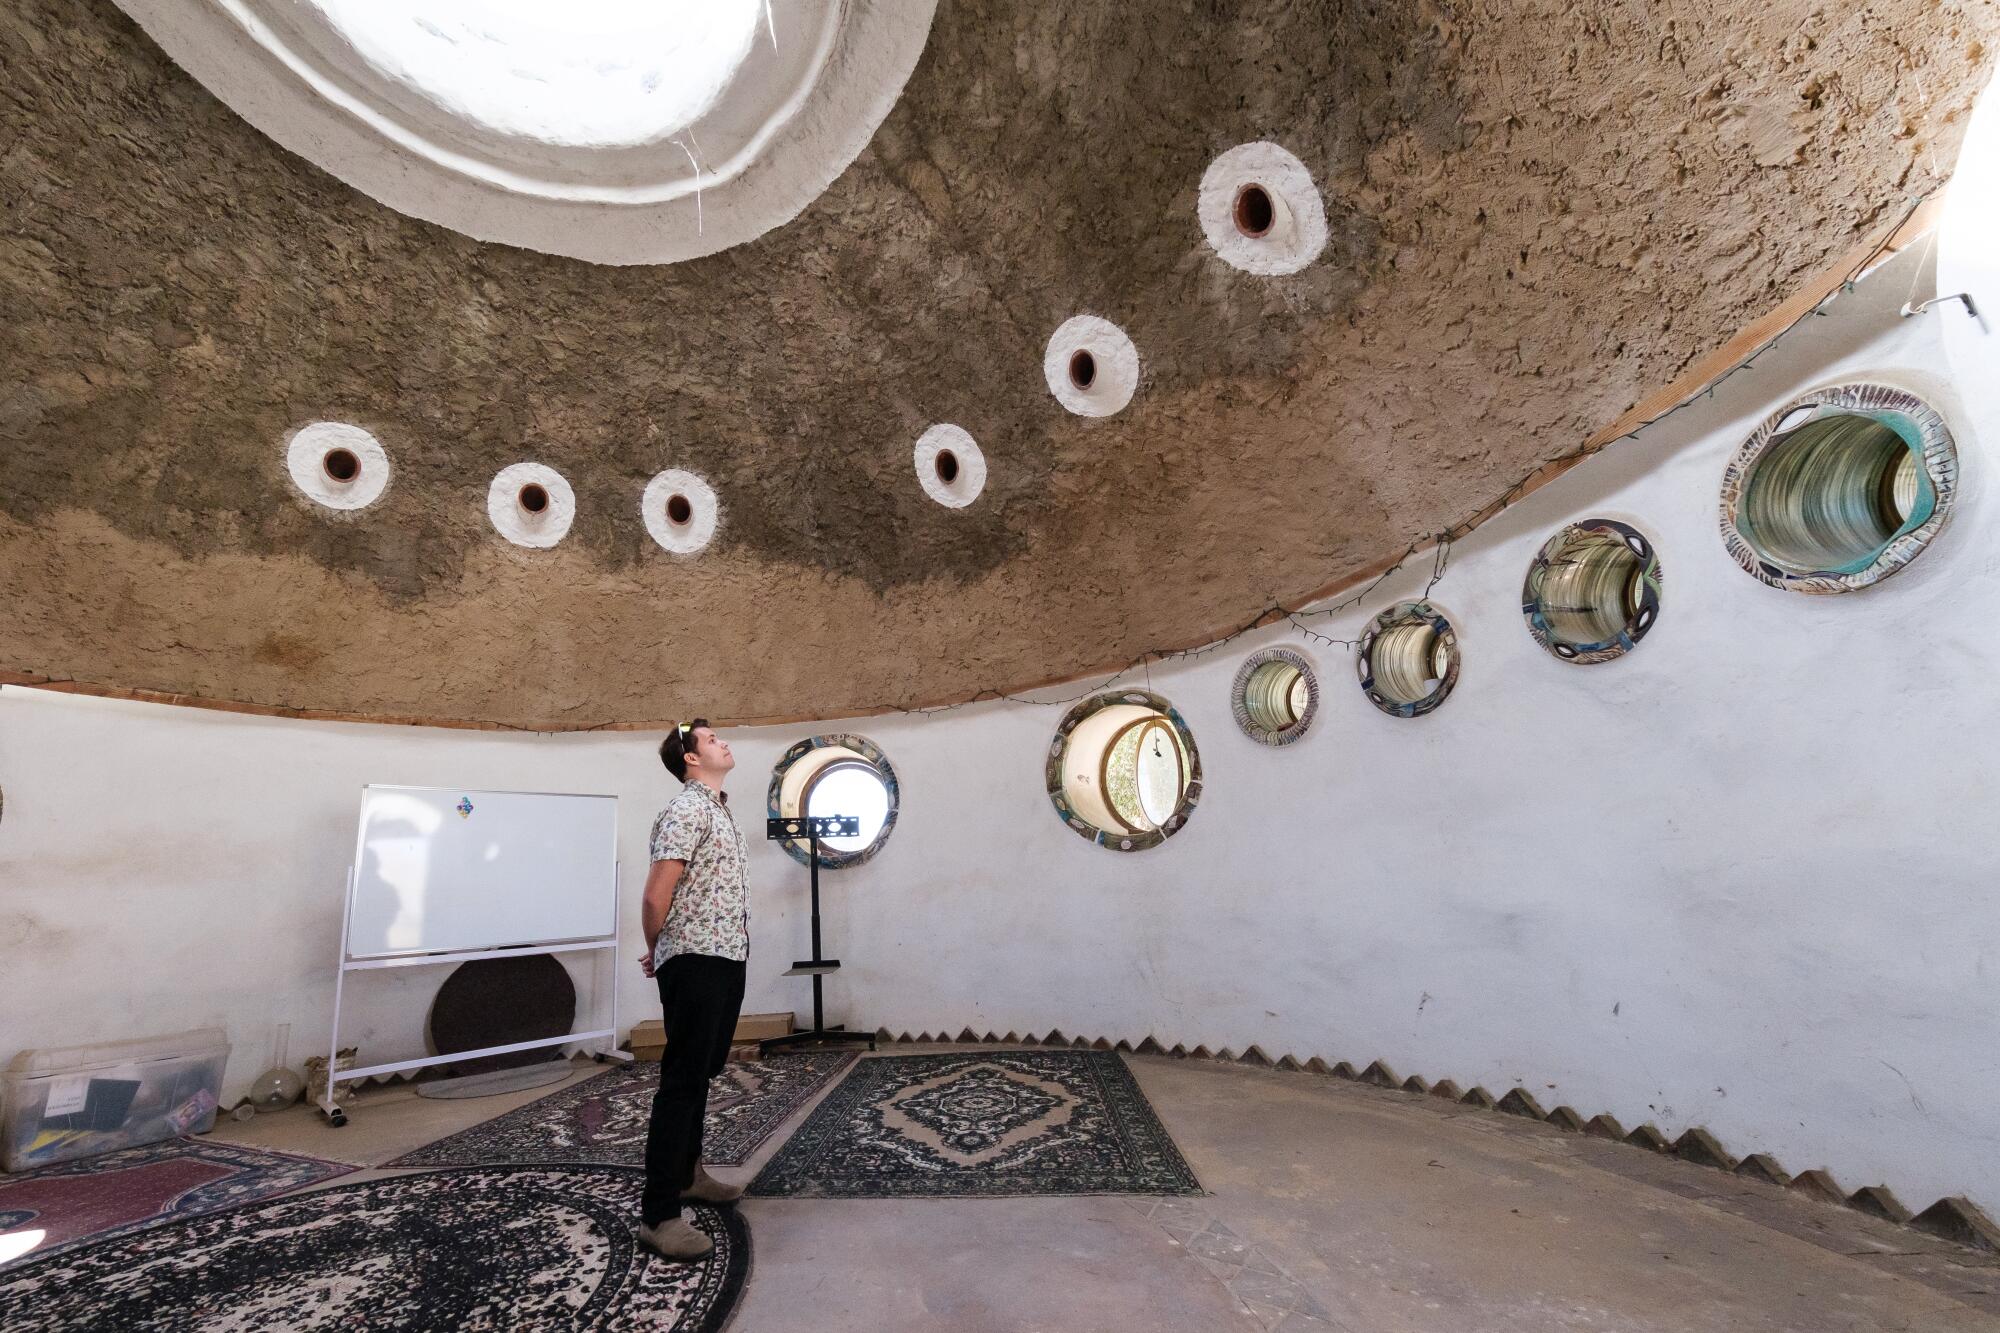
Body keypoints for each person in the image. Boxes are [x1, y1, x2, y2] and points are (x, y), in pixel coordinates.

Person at [635, 719, 750, 1260]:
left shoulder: (718, 809)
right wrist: (660, 949)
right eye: (710, 739)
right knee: (681, 1081)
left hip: (725, 956)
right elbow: (657, 894)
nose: (722, 741)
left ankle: (688, 1174)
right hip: (697, 959)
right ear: (690, 758)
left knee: (701, 1072)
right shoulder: (687, 808)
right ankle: (659, 1214)